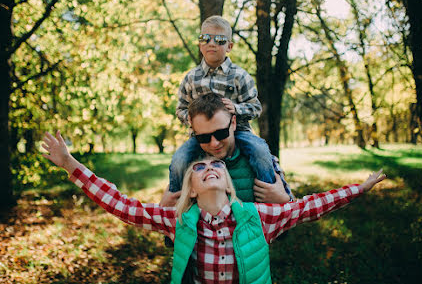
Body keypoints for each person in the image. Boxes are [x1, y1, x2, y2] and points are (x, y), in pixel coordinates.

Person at [41, 131, 386, 283]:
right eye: (200, 168)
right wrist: (72, 165)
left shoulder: (259, 217)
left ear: (228, 184)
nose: (209, 168)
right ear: (189, 188)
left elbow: (312, 206)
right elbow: (121, 205)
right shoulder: (177, 221)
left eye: (216, 167)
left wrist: (361, 187)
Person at [170, 15, 277, 196]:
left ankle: (269, 193)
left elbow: (255, 107)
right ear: (200, 44)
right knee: (179, 159)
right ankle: (176, 200)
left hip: (238, 132)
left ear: (229, 46)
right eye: (206, 39)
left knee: (260, 151)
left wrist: (237, 109)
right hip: (202, 136)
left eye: (219, 40)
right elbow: (180, 107)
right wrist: (190, 119)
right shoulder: (191, 78)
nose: (212, 43)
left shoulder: (239, 76)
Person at [161, 92, 292, 208]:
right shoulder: (187, 167)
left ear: (233, 123)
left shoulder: (262, 160)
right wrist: (164, 207)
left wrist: (284, 200)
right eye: (203, 137)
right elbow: (173, 224)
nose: (214, 143)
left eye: (221, 133)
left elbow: (293, 214)